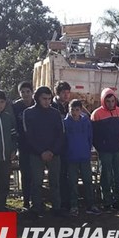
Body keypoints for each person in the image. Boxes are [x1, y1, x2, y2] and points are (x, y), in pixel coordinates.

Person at [23, 86, 65, 217]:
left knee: (55, 182)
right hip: (36, 154)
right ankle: (36, 208)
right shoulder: (28, 113)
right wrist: (41, 151)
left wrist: (52, 151)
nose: (47, 101)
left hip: (54, 153)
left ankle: (56, 207)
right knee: (36, 181)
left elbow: (61, 134)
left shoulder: (55, 113)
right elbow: (28, 135)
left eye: (49, 99)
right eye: (44, 99)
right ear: (37, 98)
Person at [91, 88, 119, 211]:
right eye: (107, 101)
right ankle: (107, 201)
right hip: (105, 151)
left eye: (113, 101)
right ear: (103, 101)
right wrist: (100, 147)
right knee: (106, 176)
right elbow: (93, 135)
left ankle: (118, 200)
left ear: (115, 100)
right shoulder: (96, 114)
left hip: (117, 149)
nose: (110, 103)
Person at [63, 99, 101, 216]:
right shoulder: (65, 123)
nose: (74, 112)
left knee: (88, 181)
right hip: (71, 157)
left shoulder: (86, 122)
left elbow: (90, 137)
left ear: (81, 110)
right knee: (72, 182)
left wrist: (87, 150)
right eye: (72, 110)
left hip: (84, 156)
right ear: (69, 110)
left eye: (77, 110)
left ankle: (91, 205)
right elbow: (63, 140)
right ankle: (74, 205)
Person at [12, 81, 35, 210]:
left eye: (28, 91)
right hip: (23, 145)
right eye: (23, 92)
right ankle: (26, 201)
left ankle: (36, 200)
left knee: (37, 174)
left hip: (37, 145)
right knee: (25, 173)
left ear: (32, 92)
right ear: (19, 93)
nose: (25, 94)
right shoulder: (15, 107)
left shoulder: (37, 104)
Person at [51, 81, 71, 210]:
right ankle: (57, 203)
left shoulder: (70, 106)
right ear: (57, 93)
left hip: (68, 146)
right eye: (63, 92)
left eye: (68, 93)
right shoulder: (52, 106)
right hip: (55, 146)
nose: (66, 95)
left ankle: (67, 201)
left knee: (67, 175)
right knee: (57, 176)